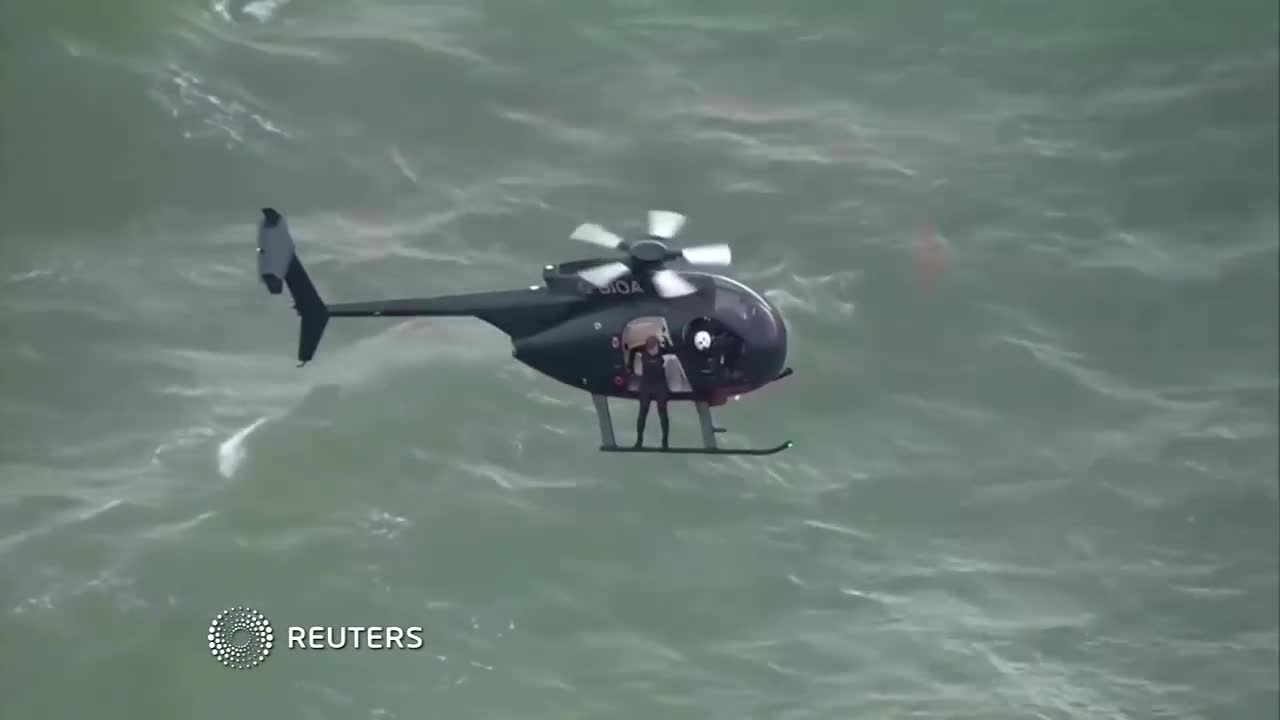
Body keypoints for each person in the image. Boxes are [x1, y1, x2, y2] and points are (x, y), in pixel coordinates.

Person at [632, 335, 670, 449]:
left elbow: (672, 349)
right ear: (649, 349)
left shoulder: (663, 355)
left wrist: (666, 341)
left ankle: (665, 441)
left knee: (662, 412)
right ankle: (639, 440)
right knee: (642, 413)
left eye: (657, 348)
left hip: (660, 386)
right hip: (646, 386)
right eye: (654, 349)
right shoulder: (643, 356)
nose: (656, 350)